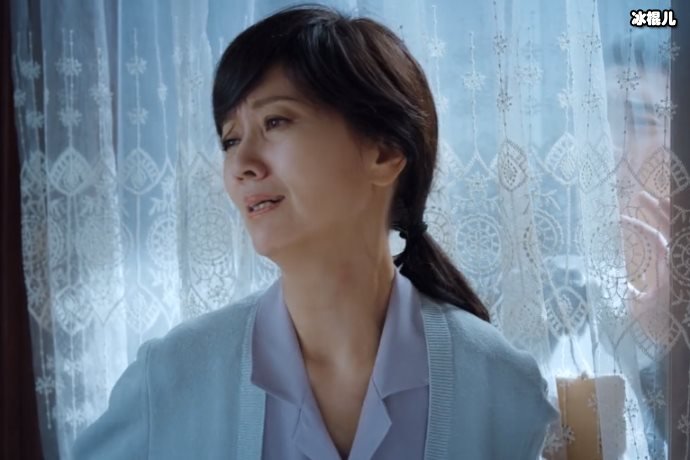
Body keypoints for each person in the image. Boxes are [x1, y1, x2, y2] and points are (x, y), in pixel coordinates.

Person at [72, 4, 558, 459]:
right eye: (230, 139)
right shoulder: (172, 379)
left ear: (384, 153)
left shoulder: (502, 387)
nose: (241, 164)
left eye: (275, 121)